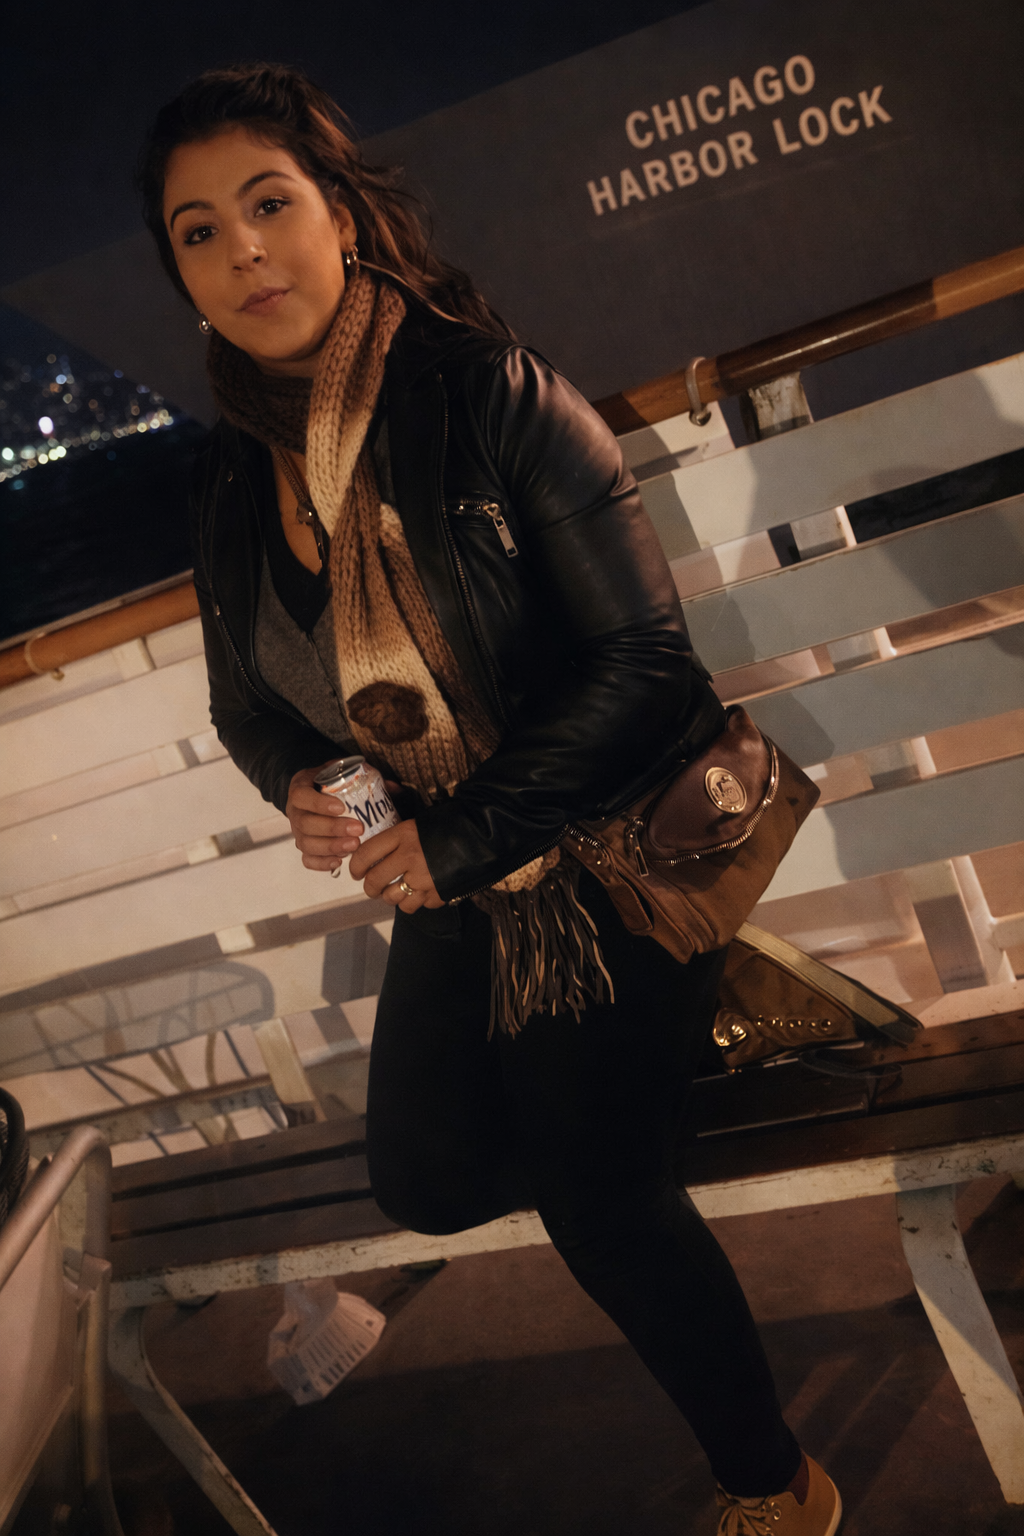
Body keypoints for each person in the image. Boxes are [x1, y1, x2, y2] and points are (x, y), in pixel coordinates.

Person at [140, 62, 841, 1536]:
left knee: (596, 1189)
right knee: (427, 1177)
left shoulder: (488, 391)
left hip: (608, 845)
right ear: (182, 274)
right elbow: (246, 700)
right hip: (451, 877)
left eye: (270, 204)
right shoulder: (227, 480)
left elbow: (646, 663)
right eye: (200, 232)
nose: (245, 250)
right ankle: (687, 1039)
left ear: (342, 215)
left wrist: (459, 835)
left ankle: (776, 1482)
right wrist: (304, 785)